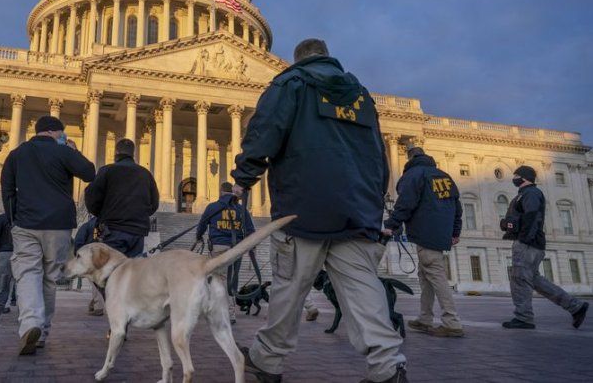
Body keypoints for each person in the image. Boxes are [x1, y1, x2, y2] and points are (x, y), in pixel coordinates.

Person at [231, 39, 407, 383]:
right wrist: (373, 205)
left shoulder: (289, 84)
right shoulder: (361, 96)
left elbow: (265, 133)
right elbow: (377, 155)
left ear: (298, 60)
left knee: (289, 286)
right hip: (355, 208)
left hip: (304, 206)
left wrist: (243, 179)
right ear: (328, 58)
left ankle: (267, 360)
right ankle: (388, 367)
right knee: (363, 288)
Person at [1, 115, 95, 355]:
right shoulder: (63, 152)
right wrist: (72, 150)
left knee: (27, 273)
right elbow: (89, 173)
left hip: (26, 222)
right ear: (56, 132)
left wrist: (13, 220)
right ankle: (41, 332)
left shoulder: (17, 154)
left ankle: (30, 323)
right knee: (49, 278)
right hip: (58, 223)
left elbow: (7, 190)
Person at [383, 147, 464, 337]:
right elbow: (457, 206)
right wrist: (455, 231)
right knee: (425, 275)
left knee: (435, 274)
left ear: (410, 158)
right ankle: (425, 318)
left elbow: (405, 203)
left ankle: (451, 322)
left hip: (425, 232)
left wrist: (391, 224)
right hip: (441, 233)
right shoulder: (444, 176)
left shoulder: (413, 175)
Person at [502, 166, 589, 330]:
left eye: (516, 175)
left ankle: (524, 318)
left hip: (528, 243)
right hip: (530, 241)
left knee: (519, 279)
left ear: (525, 177)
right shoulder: (524, 194)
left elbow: (532, 215)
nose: (514, 177)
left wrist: (525, 238)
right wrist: (506, 224)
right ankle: (575, 306)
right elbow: (522, 217)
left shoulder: (531, 193)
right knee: (535, 280)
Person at [84, 138, 159, 258]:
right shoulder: (146, 174)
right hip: (137, 231)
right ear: (133, 154)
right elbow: (154, 203)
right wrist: (140, 215)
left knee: (112, 269)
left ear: (116, 152)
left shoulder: (107, 170)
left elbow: (91, 197)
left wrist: (102, 214)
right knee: (132, 270)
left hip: (113, 229)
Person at [196, 182, 255, 324]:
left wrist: (199, 237)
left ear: (221, 192)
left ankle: (227, 313)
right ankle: (223, 310)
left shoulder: (213, 207)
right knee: (231, 280)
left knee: (219, 279)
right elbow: (250, 230)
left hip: (219, 247)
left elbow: (202, 225)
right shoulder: (241, 209)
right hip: (237, 248)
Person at [74, 216, 103, 316]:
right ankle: (94, 302)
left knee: (95, 280)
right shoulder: (108, 224)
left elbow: (78, 241)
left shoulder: (86, 226)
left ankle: (98, 305)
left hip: (90, 256)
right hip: (105, 255)